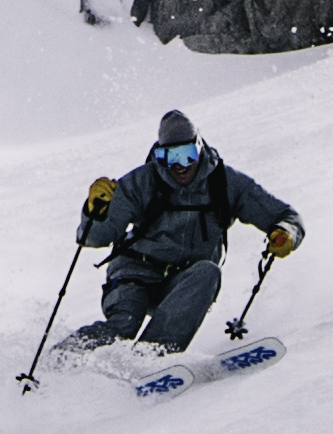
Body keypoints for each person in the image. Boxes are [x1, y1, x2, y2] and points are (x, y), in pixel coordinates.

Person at [74, 107, 300, 364]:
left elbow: (285, 216)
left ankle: (150, 362)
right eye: (168, 157)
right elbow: (93, 238)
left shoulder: (224, 183)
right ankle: (66, 357)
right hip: (135, 271)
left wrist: (285, 233)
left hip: (184, 281)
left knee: (208, 271)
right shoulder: (141, 182)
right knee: (123, 325)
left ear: (200, 147)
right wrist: (94, 212)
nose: (179, 166)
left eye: (186, 154)